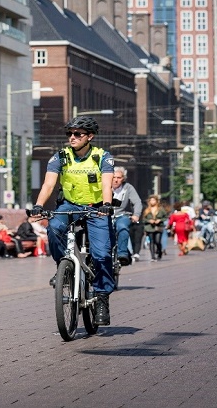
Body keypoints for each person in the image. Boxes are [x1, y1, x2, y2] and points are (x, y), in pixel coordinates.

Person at [31, 116, 115, 325]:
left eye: (78, 134)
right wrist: (39, 206)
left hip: (96, 207)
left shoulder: (102, 157)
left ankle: (102, 298)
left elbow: (107, 185)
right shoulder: (60, 156)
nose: (72, 137)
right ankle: (63, 266)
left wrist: (106, 204)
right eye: (70, 133)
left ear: (90, 137)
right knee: (54, 227)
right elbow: (48, 185)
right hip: (70, 205)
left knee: (102, 254)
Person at [111, 167, 142, 265]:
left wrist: (136, 215)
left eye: (119, 178)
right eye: (114, 177)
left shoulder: (127, 187)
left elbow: (137, 202)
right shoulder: (104, 186)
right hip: (106, 215)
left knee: (122, 227)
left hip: (121, 215)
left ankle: (122, 254)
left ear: (123, 178)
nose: (116, 180)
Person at [141, 195, 168, 261]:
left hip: (158, 227)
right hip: (149, 227)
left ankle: (159, 252)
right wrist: (149, 220)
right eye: (151, 200)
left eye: (153, 200)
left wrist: (160, 220)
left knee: (157, 241)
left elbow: (165, 217)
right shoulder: (147, 210)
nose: (152, 202)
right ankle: (153, 256)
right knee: (151, 241)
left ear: (156, 201)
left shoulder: (161, 209)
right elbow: (143, 219)